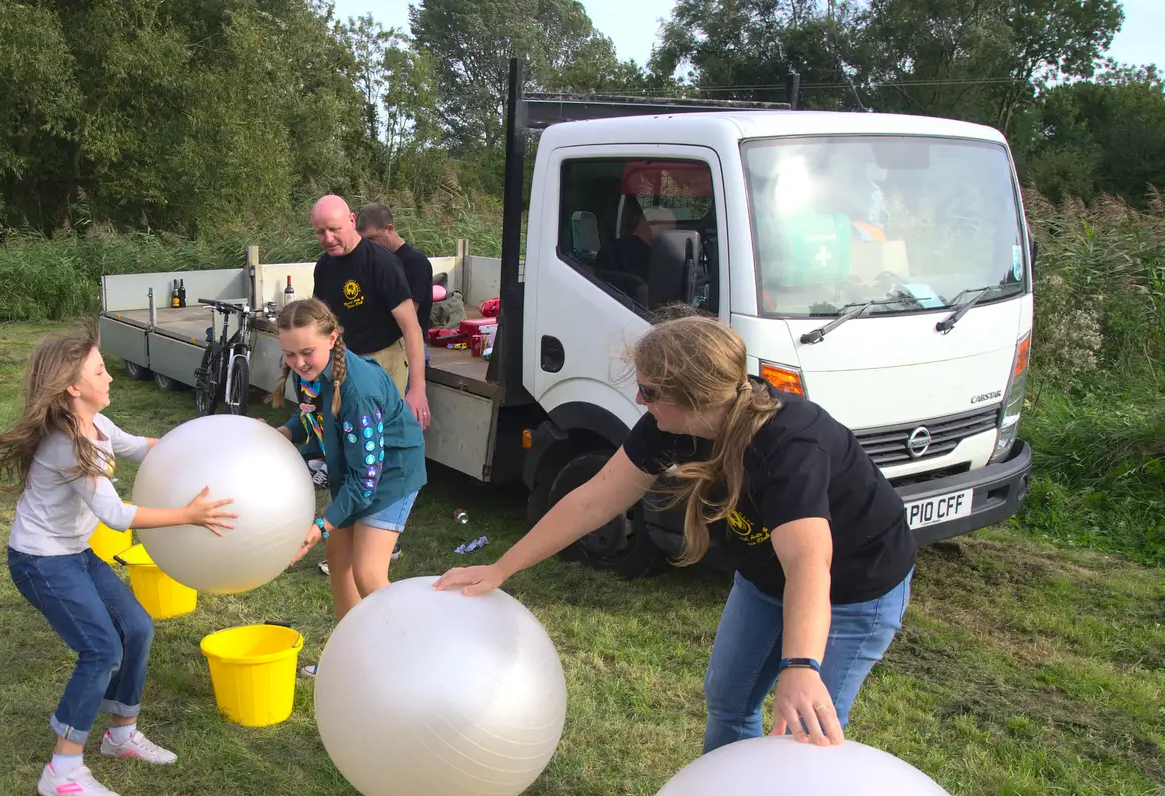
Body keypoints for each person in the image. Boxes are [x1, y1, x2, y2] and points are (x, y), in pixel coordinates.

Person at [437, 315, 916, 751]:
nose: (640, 401)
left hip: (852, 588)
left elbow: (809, 564)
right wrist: (502, 568)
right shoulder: (668, 426)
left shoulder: (790, 444)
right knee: (730, 702)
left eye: (649, 391)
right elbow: (593, 499)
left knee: (803, 732)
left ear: (694, 397)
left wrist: (801, 666)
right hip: (765, 578)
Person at [0, 322, 236, 796]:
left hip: (74, 554)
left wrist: (218, 440)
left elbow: (143, 448)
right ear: (75, 387)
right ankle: (63, 767)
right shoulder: (68, 444)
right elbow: (115, 516)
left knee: (136, 627)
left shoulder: (96, 426)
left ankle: (121, 733)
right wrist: (188, 515)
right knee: (100, 649)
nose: (111, 378)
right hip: (41, 561)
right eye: (101, 371)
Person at [271, 299, 426, 674]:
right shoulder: (306, 372)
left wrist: (321, 525)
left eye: (307, 352)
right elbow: (311, 409)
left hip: (389, 475)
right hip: (356, 473)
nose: (299, 362)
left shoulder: (360, 391)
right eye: (289, 354)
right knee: (340, 563)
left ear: (332, 337)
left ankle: (417, 658)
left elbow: (367, 480)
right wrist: (285, 432)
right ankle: (352, 664)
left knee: (368, 573)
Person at [310, 194, 430, 430]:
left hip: (383, 361)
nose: (328, 238)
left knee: (379, 435)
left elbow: (411, 327)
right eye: (320, 232)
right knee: (346, 431)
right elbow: (318, 320)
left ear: (352, 220)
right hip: (344, 359)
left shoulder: (381, 262)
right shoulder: (324, 266)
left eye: (335, 229)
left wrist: (417, 389)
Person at [356, 203, 434, 348]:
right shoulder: (369, 261)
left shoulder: (415, 263)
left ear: (390, 229)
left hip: (406, 345)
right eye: (363, 241)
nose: (367, 246)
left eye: (372, 239)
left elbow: (408, 317)